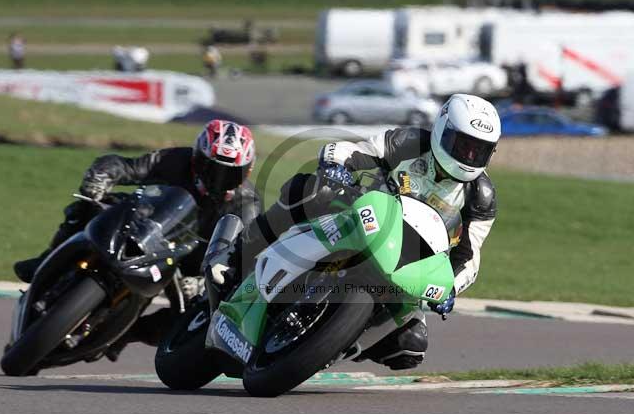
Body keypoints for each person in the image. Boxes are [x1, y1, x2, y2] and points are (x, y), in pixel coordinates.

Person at [212, 94, 500, 370]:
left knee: (411, 344)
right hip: (362, 215)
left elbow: (469, 257)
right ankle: (238, 253)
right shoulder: (412, 142)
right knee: (310, 190)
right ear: (442, 129)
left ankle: (328, 346)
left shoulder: (481, 197)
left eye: (479, 150)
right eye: (462, 145)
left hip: (410, 261)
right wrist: (337, 165)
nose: (469, 156)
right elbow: (360, 150)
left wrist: (450, 287)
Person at [13, 120, 261, 355]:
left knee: (200, 310)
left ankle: (129, 333)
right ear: (196, 157)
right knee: (89, 207)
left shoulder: (247, 203)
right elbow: (126, 166)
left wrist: (202, 281)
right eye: (211, 168)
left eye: (229, 174)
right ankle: (44, 261)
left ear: (246, 172)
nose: (217, 179)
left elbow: (242, 256)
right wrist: (101, 178)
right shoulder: (175, 160)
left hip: (191, 257)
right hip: (147, 225)